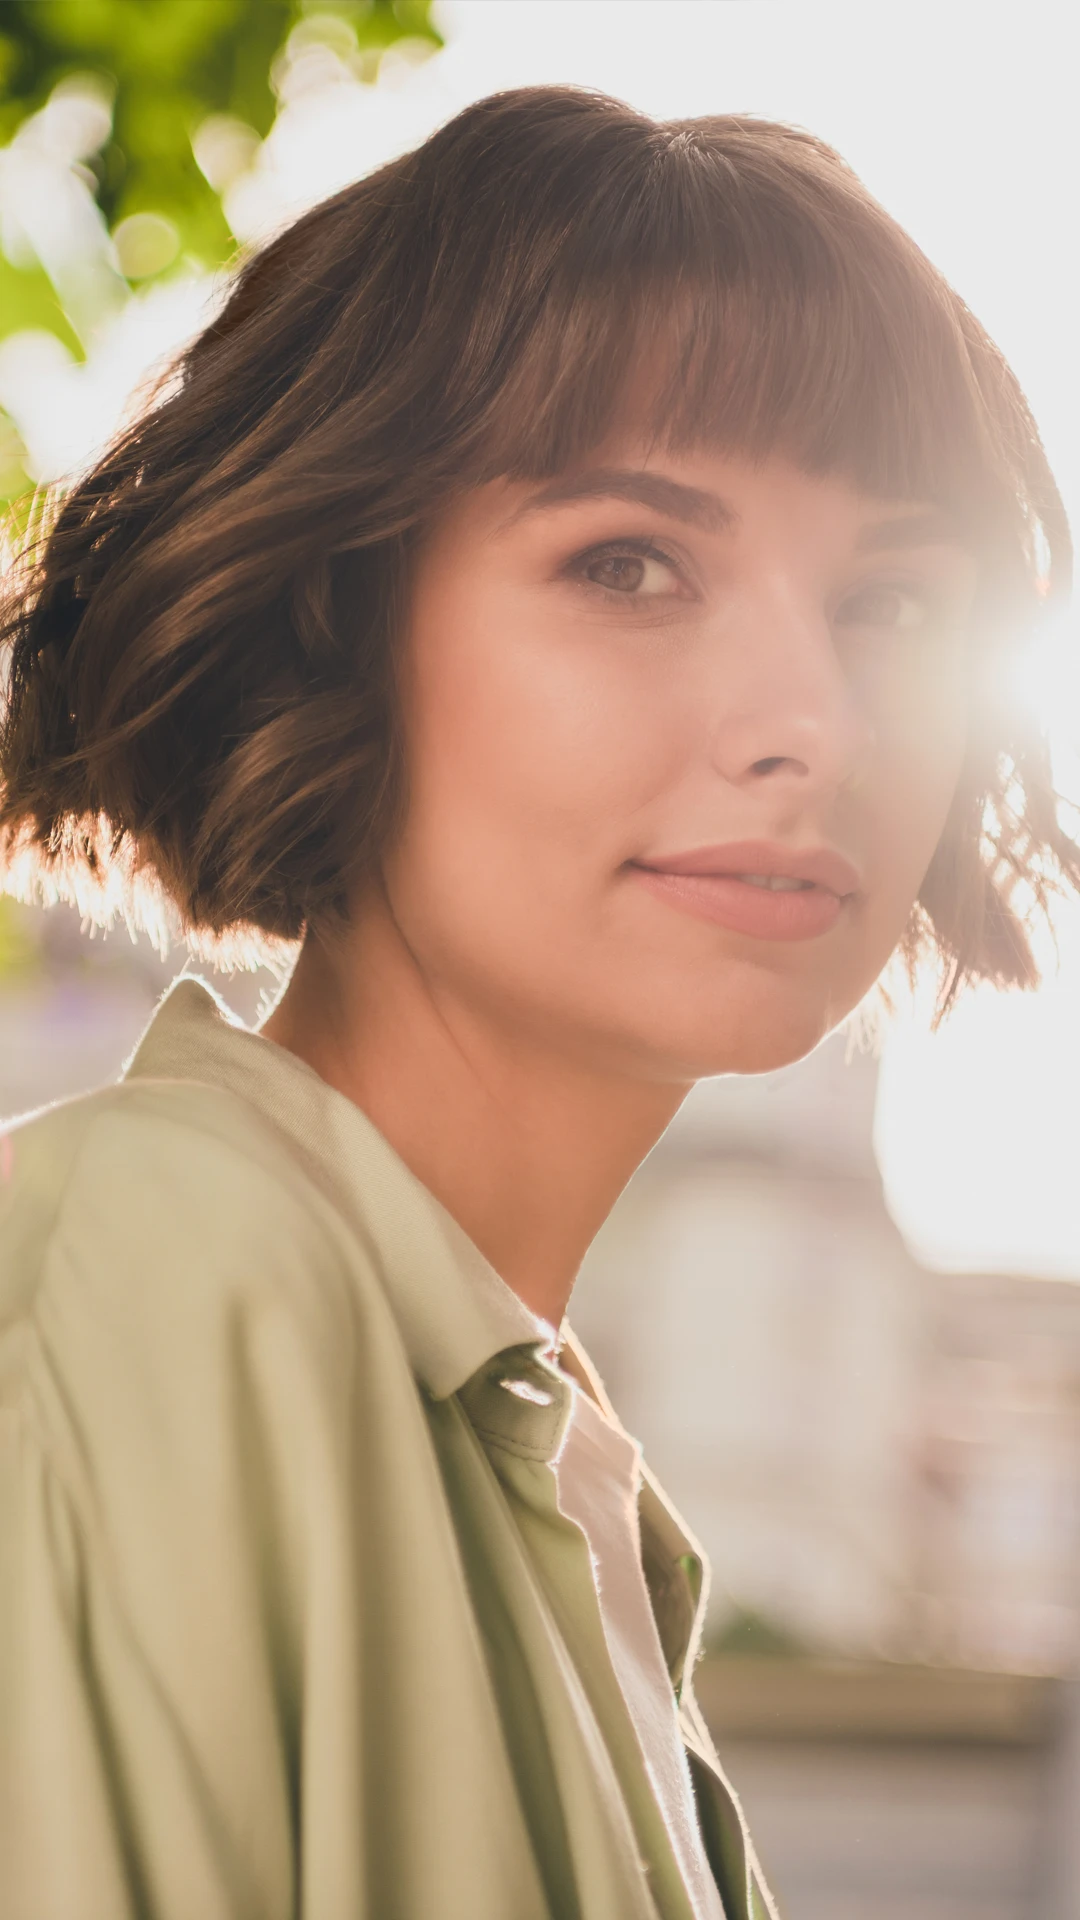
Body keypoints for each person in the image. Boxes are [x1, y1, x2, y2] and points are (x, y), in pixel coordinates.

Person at [0, 84, 1075, 1920]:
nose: (808, 720)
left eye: (893, 601)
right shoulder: (144, 1280)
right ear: (335, 613)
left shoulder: (553, 1472)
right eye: (628, 564)